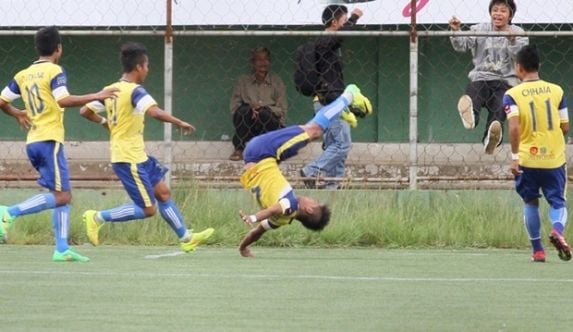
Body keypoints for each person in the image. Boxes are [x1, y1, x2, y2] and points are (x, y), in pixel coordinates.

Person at [79, 42, 214, 254]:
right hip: (127, 158)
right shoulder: (135, 91)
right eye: (147, 66)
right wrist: (179, 122)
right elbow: (155, 112)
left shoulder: (110, 90)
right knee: (148, 209)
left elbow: (84, 112)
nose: (148, 70)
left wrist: (105, 123)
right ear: (140, 67)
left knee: (163, 192)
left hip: (138, 155)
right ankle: (97, 217)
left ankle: (186, 237)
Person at [0, 26, 118, 262]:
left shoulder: (22, 74)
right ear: (58, 49)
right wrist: (96, 95)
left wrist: (17, 114)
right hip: (49, 140)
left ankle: (62, 248)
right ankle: (8, 212)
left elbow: (2, 101)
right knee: (63, 196)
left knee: (62, 194)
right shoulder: (55, 71)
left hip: (33, 141)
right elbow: (63, 99)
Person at [238, 84, 371, 257]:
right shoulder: (281, 222)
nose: (311, 199)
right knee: (307, 134)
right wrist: (243, 247)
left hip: (262, 152)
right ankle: (335, 112)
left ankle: (348, 96)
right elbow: (257, 233)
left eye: (314, 202)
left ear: (308, 209)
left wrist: (254, 217)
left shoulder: (289, 205)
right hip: (260, 159)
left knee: (314, 131)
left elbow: (273, 210)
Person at [505, 45, 570, 263]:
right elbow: (565, 126)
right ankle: (558, 230)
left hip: (527, 159)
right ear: (539, 66)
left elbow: (514, 127)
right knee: (558, 203)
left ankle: (538, 250)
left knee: (530, 202)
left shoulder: (511, 94)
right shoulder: (557, 91)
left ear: (518, 68)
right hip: (553, 158)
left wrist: (514, 157)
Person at [449, 0, 528, 154]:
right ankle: (472, 116)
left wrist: (512, 40)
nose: (498, 14)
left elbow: (522, 58)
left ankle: (490, 139)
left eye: (503, 11)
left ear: (510, 15)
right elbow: (461, 45)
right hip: (482, 77)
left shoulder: (518, 32)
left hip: (506, 82)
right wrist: (456, 30)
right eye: (495, 10)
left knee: (500, 109)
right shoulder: (480, 28)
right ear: (490, 13)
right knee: (473, 92)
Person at [300, 4, 365, 189]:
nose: (346, 25)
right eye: (343, 21)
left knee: (335, 146)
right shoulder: (325, 40)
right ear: (335, 22)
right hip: (328, 101)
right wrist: (354, 18)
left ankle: (332, 187)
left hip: (331, 100)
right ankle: (311, 171)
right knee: (342, 145)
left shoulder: (328, 45)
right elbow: (342, 36)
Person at [229, 47, 288, 161]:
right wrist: (250, 108)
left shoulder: (276, 82)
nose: (263, 63)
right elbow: (234, 108)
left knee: (264, 114)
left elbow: (282, 110)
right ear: (252, 62)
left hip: (269, 125)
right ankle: (239, 149)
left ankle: (268, 150)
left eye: (266, 59)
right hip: (248, 125)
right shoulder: (243, 81)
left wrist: (263, 109)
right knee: (243, 111)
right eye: (259, 60)